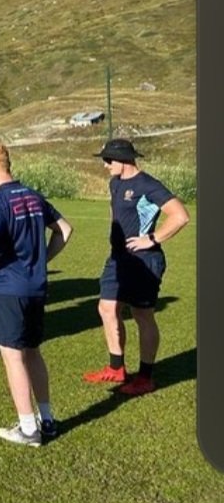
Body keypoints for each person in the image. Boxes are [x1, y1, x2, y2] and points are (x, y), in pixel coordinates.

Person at [0, 142, 73, 446]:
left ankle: (28, 428)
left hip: (8, 289)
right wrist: (42, 260)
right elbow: (65, 230)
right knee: (32, 351)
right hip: (35, 288)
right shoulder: (33, 195)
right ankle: (48, 419)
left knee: (12, 356)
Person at [83, 138, 190, 396]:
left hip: (145, 260)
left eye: (108, 160)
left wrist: (151, 239)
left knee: (142, 315)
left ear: (123, 160)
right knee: (106, 308)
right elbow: (115, 215)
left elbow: (180, 215)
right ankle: (116, 369)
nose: (105, 164)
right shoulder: (115, 182)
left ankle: (145, 377)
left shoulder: (148, 185)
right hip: (118, 258)